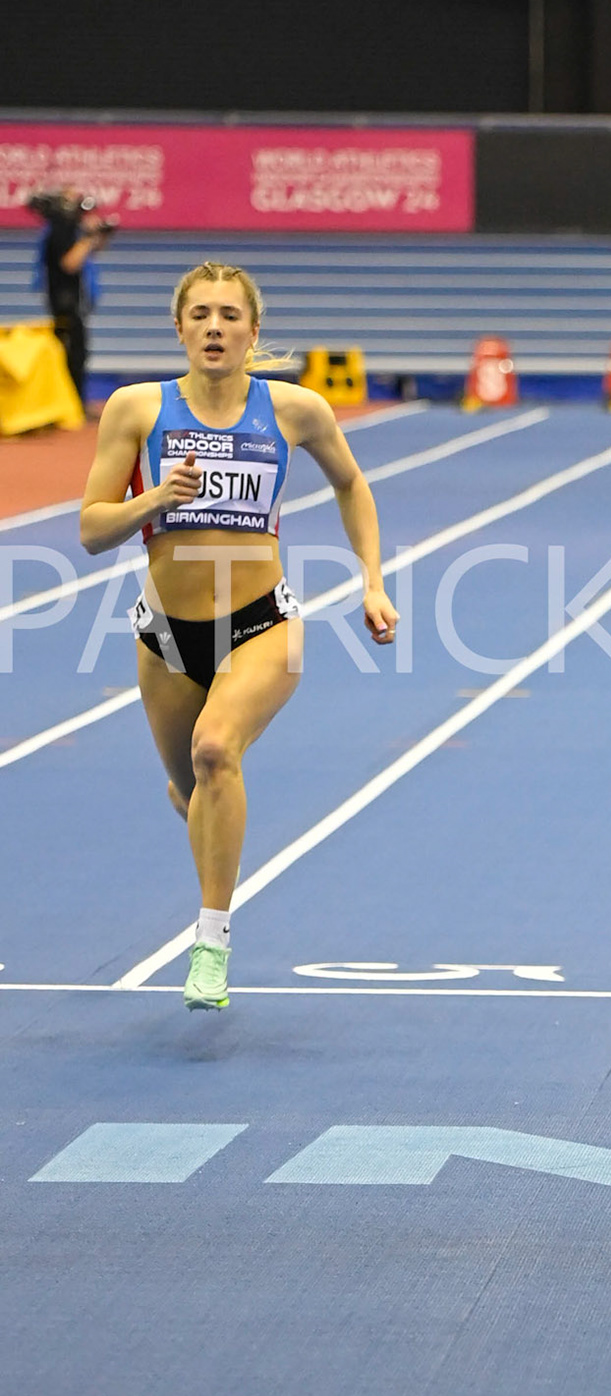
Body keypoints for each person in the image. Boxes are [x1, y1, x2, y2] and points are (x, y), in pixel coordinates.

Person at [79, 262, 399, 1011]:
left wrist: (373, 579)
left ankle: (211, 944)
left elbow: (352, 483)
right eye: (200, 315)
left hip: (263, 623)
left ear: (253, 332)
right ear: (180, 328)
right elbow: (92, 529)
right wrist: (154, 498)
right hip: (164, 633)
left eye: (229, 315)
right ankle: (206, 816)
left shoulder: (293, 410)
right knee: (194, 786)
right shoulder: (135, 409)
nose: (215, 327)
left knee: (216, 749)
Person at [32, 188, 116, 409]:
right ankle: (69, 406)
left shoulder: (71, 230)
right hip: (64, 305)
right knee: (70, 358)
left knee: (79, 355)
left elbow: (90, 253)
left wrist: (100, 235)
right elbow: (70, 262)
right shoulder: (59, 230)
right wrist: (88, 237)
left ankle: (75, 404)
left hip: (76, 305)